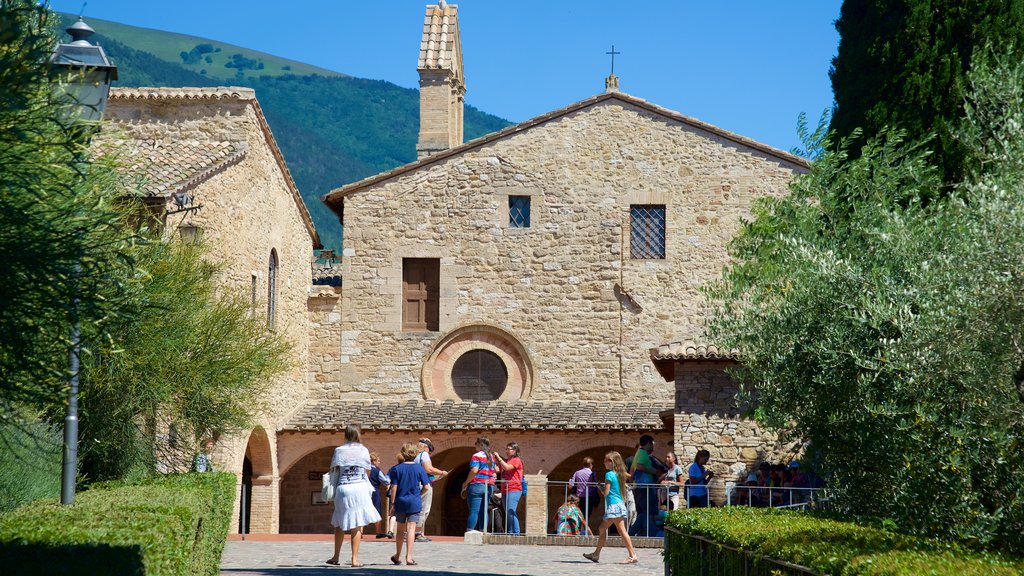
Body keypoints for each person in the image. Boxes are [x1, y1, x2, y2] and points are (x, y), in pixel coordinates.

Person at [326, 424, 381, 568]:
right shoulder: (363, 450)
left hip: (343, 488)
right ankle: (355, 559)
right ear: (358, 434)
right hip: (360, 488)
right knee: (356, 524)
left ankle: (336, 556)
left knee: (339, 523)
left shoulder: (339, 450)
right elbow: (368, 470)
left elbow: (333, 469)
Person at [582, 451, 638, 565]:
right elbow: (630, 476)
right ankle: (596, 554)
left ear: (611, 462)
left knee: (621, 531)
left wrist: (599, 487)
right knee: (602, 529)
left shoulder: (609, 474)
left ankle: (632, 555)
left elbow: (606, 492)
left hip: (613, 506)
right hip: (619, 505)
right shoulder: (620, 473)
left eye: (605, 460)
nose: (603, 462)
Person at [387, 442, 430, 566]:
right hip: (414, 502)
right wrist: (419, 495)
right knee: (411, 529)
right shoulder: (419, 468)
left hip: (400, 501)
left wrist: (393, 503)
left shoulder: (397, 469)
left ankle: (397, 555)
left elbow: (393, 487)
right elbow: (426, 487)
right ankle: (409, 557)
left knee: (400, 529)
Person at [413, 438, 448, 542]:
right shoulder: (424, 454)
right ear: (427, 447)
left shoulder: (415, 455)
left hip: (417, 483)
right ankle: (418, 533)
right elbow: (429, 469)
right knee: (424, 508)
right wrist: (442, 472)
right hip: (423, 483)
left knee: (419, 508)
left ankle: (419, 532)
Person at [460, 436, 496, 532]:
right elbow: (495, 470)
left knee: (474, 511)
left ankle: (470, 532)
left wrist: (466, 482)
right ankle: (483, 532)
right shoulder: (492, 457)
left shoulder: (476, 456)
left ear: (480, 445)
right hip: (489, 486)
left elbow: (474, 470)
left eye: (476, 443)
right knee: (484, 511)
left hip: (477, 485)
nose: (475, 445)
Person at [628, 434, 658, 536]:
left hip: (639, 487)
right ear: (648, 444)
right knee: (648, 512)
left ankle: (637, 533)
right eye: (652, 444)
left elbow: (632, 470)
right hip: (646, 487)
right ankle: (644, 533)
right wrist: (652, 471)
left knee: (642, 512)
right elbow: (640, 466)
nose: (653, 446)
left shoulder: (638, 453)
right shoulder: (643, 454)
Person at [493, 442, 524, 534]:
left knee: (511, 511)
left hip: (514, 489)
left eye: (509, 449)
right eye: (506, 449)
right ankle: (510, 532)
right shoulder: (505, 461)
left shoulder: (517, 460)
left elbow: (507, 468)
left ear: (514, 451)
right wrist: (492, 460)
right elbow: (497, 470)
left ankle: (516, 533)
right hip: (505, 490)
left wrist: (499, 457)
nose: (506, 451)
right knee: (508, 512)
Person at [569, 457, 600, 523]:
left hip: (578, 498)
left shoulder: (577, 472)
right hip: (589, 497)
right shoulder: (592, 474)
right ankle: (584, 531)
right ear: (591, 465)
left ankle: (580, 531)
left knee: (578, 515)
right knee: (587, 516)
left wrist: (570, 481)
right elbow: (595, 486)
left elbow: (571, 486)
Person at [368, 452, 391, 538]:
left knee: (362, 510)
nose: (379, 462)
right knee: (377, 511)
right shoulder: (377, 471)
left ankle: (361, 531)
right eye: (378, 460)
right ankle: (378, 531)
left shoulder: (364, 469)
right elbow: (386, 481)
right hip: (374, 491)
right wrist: (389, 477)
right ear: (373, 461)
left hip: (364, 491)